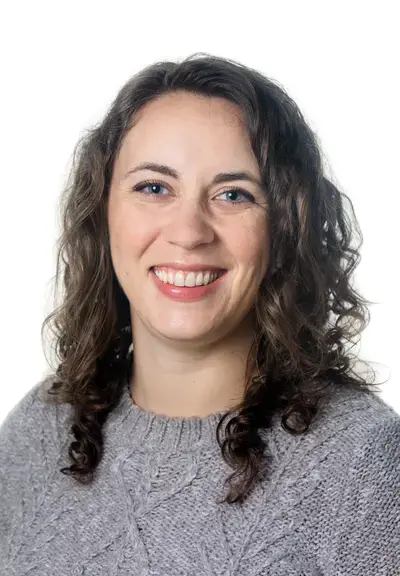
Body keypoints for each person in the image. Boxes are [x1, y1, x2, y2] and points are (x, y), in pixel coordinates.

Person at [0, 53, 399, 575]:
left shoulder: (363, 465)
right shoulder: (41, 424)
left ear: (285, 229)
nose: (189, 232)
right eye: (154, 187)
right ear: (103, 214)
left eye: (234, 194)